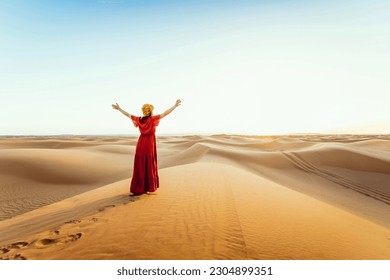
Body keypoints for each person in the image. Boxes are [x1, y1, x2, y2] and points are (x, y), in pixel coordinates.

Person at [112, 99, 181, 195]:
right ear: (150, 111)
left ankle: (138, 188)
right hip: (149, 143)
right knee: (148, 163)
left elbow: (128, 115)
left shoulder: (138, 119)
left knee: (140, 164)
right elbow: (165, 113)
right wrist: (175, 106)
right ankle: (147, 187)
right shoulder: (152, 119)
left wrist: (119, 109)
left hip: (141, 143)